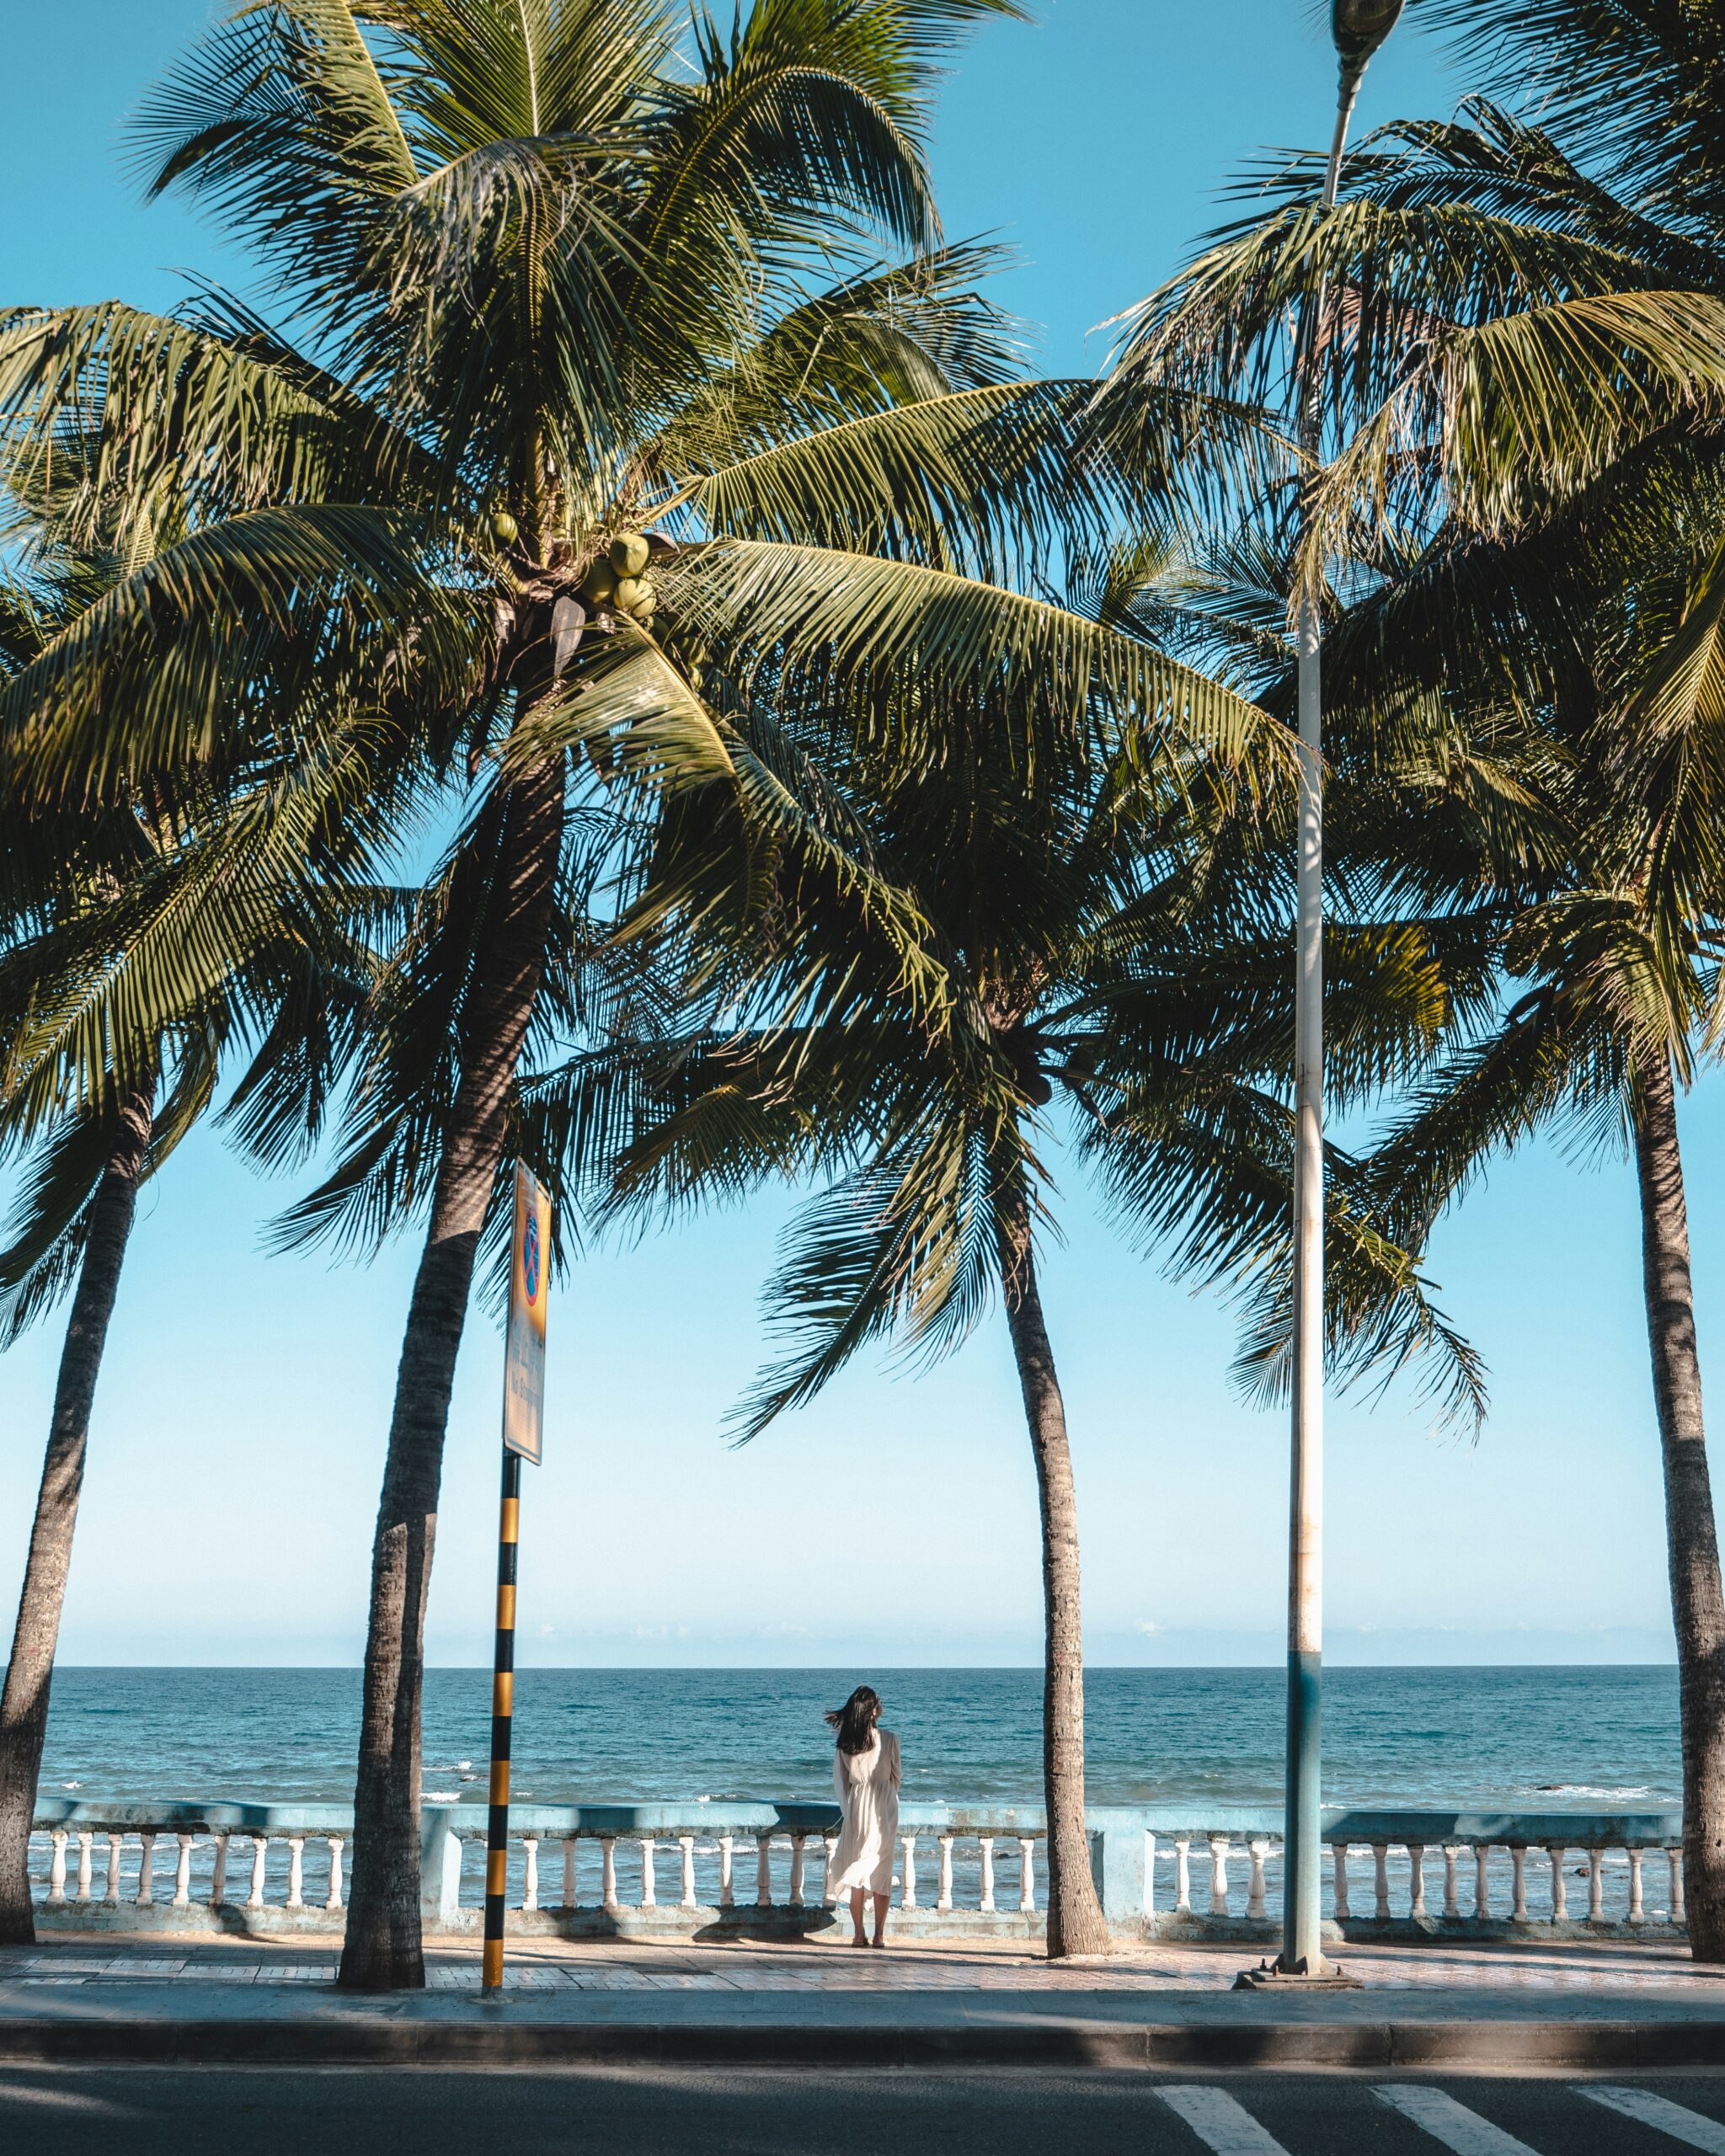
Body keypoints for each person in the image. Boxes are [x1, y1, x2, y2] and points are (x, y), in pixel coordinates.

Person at [825, 1684, 900, 1948]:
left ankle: (859, 1935)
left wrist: (852, 1809)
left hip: (857, 1809)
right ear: (873, 1711)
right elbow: (896, 1778)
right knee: (882, 1870)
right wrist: (885, 1795)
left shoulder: (846, 1745)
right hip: (885, 1810)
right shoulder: (890, 1739)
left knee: (858, 1871)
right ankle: (879, 1935)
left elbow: (841, 1783)